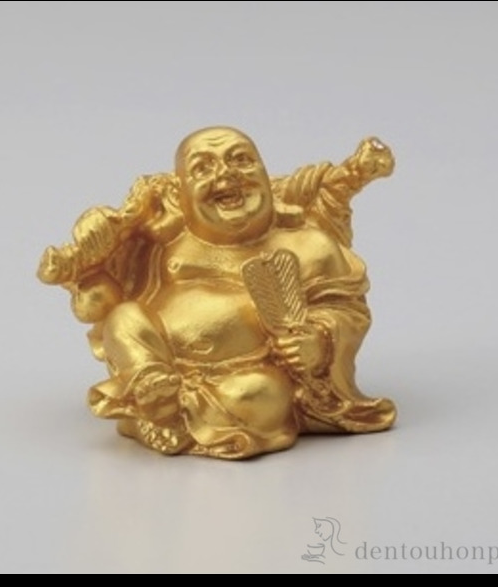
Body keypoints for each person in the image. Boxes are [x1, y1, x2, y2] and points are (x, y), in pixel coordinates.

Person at [39, 127, 397, 459]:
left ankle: (173, 415)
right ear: (181, 193)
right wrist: (81, 262)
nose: (225, 176)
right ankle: (151, 388)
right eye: (202, 168)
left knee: (263, 395)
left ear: (266, 176)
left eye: (241, 160)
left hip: (242, 375)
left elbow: (347, 310)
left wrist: (319, 341)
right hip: (160, 358)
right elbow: (101, 299)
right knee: (125, 319)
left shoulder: (309, 245)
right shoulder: (166, 242)